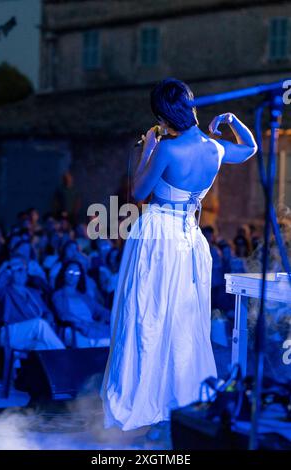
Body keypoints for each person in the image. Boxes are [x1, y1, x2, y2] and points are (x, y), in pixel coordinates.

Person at [100, 77, 257, 431]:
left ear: (163, 117)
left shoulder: (167, 150)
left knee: (148, 314)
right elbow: (249, 149)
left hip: (159, 237)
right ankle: (179, 397)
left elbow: (139, 191)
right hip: (190, 239)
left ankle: (143, 397)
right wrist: (232, 120)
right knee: (184, 320)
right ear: (191, 106)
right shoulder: (215, 149)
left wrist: (150, 147)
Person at [52, 260, 110, 347]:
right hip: (73, 328)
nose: (73, 275)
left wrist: (101, 321)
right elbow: (64, 315)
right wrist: (83, 324)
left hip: (91, 326)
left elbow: (102, 311)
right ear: (64, 273)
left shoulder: (84, 296)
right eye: (70, 271)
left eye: (77, 273)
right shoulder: (58, 295)